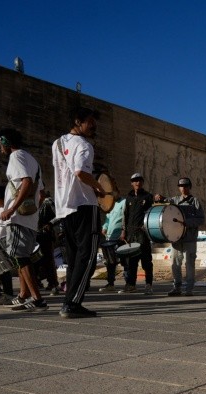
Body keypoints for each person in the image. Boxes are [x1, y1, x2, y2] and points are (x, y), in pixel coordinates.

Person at [52, 107, 106, 318]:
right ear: (78, 121)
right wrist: (100, 188)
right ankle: (72, 304)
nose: (94, 126)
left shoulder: (57, 143)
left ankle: (69, 301)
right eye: (90, 121)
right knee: (89, 256)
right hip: (84, 204)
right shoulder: (84, 145)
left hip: (65, 207)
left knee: (74, 259)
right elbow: (81, 172)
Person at [0, 128, 48, 312]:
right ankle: (23, 295)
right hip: (29, 218)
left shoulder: (16, 157)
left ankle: (38, 299)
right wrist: (32, 211)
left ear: (5, 142)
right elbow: (41, 194)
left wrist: (11, 209)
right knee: (21, 256)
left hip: (18, 218)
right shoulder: (32, 159)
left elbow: (26, 181)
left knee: (21, 257)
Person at [156, 177, 205, 296]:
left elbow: (201, 219)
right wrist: (159, 198)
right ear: (179, 187)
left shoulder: (195, 201)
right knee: (175, 264)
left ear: (190, 187)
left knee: (189, 263)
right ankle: (176, 287)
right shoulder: (174, 200)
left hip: (189, 238)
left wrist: (187, 222)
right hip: (176, 238)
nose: (183, 188)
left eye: (186, 186)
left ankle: (189, 288)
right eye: (181, 186)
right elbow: (164, 202)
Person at [119, 173, 154, 294]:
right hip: (130, 233)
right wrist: (123, 230)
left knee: (146, 260)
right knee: (131, 261)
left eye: (139, 180)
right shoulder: (128, 198)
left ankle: (148, 285)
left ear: (142, 182)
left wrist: (148, 226)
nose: (137, 183)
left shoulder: (148, 197)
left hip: (142, 233)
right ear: (131, 183)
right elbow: (125, 215)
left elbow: (153, 212)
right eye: (134, 181)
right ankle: (130, 285)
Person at [98, 195, 126, 292]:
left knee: (124, 261)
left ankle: (128, 283)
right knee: (110, 262)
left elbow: (125, 217)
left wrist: (123, 231)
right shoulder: (110, 204)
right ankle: (110, 284)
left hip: (120, 237)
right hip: (109, 238)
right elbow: (108, 218)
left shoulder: (124, 202)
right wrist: (105, 227)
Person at [35, 190, 60, 296]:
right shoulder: (33, 202)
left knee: (48, 260)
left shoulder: (48, 202)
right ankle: (37, 281)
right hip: (35, 235)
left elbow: (58, 215)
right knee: (35, 261)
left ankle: (53, 284)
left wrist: (50, 224)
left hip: (45, 235)